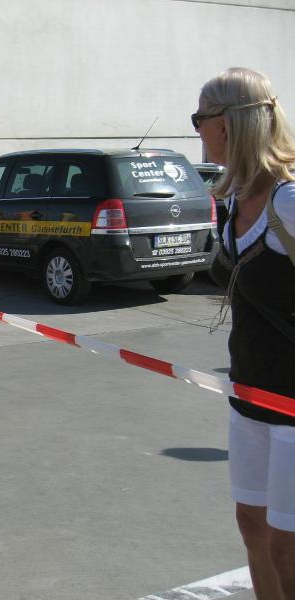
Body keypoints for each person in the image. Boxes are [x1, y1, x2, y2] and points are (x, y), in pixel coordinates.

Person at [202, 67, 295, 599]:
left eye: (200, 118)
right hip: (249, 394)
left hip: (293, 403)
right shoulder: (235, 198)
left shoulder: (288, 201)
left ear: (229, 123)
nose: (196, 128)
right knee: (252, 528)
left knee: (287, 547)